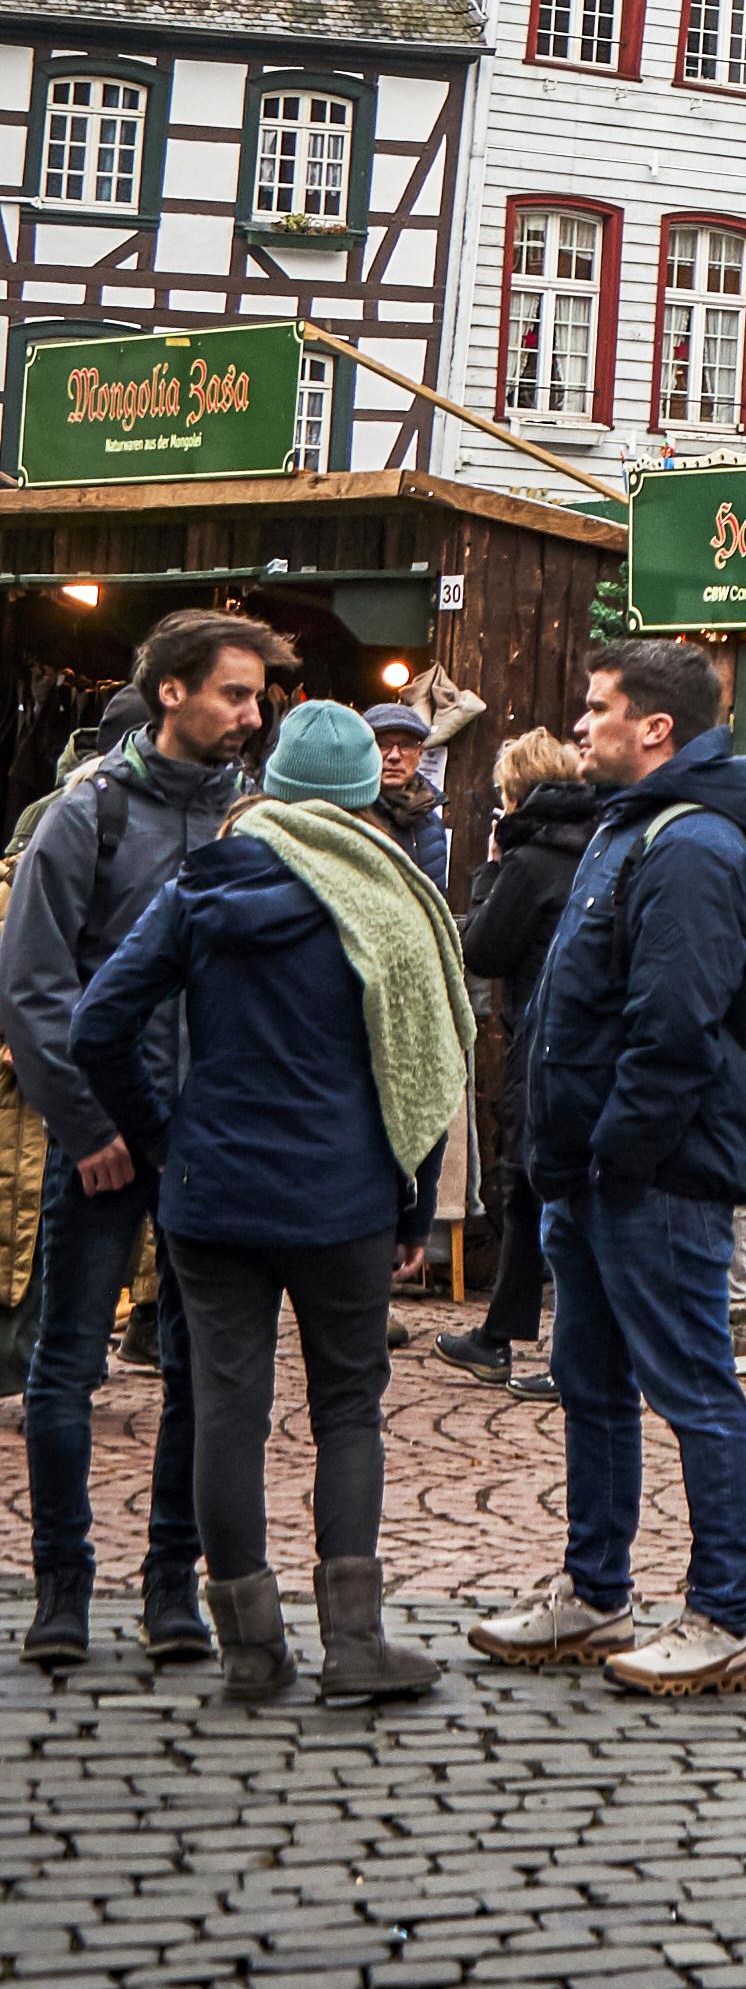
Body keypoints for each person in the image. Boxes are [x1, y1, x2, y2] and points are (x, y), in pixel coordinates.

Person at [73, 694, 473, 1706]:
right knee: (348, 1410)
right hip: (341, 1197)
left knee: (225, 1414)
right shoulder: (386, 901)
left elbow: (98, 1026)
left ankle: (250, 1651)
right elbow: (421, 1069)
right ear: (358, 796)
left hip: (212, 1194)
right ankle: (354, 1644)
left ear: (275, 784)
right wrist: (413, 1210)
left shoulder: (199, 885)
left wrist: (163, 1136)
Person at [471, 636, 746, 1700]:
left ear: (656, 727)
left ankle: (722, 1616)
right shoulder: (624, 828)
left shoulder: (688, 846)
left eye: (597, 708)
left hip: (654, 1177)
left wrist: (616, 1158)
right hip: (595, 1175)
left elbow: (675, 1029)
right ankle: (596, 1592)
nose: (580, 723)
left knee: (694, 1390)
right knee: (590, 1383)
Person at [1, 612, 280, 1667]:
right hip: (105, 1142)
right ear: (171, 692)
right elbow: (31, 987)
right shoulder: (87, 817)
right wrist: (87, 1125)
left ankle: (173, 1589)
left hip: (211, 1145)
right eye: (234, 695)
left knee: (200, 1373)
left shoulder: (255, 825)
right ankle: (60, 1590)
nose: (251, 717)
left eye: (255, 699)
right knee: (65, 1364)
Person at [438, 727, 601, 1389]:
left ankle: (566, 1351)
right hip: (585, 1039)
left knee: (535, 1184)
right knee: (543, 1186)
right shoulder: (596, 845)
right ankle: (501, 1333)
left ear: (514, 793)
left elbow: (483, 949)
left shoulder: (529, 862)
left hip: (541, 1037)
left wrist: (491, 867)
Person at [366, 698, 449, 885]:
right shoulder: (351, 815)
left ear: (420, 752)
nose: (394, 756)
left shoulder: (431, 824)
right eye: (382, 744)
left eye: (406, 745)